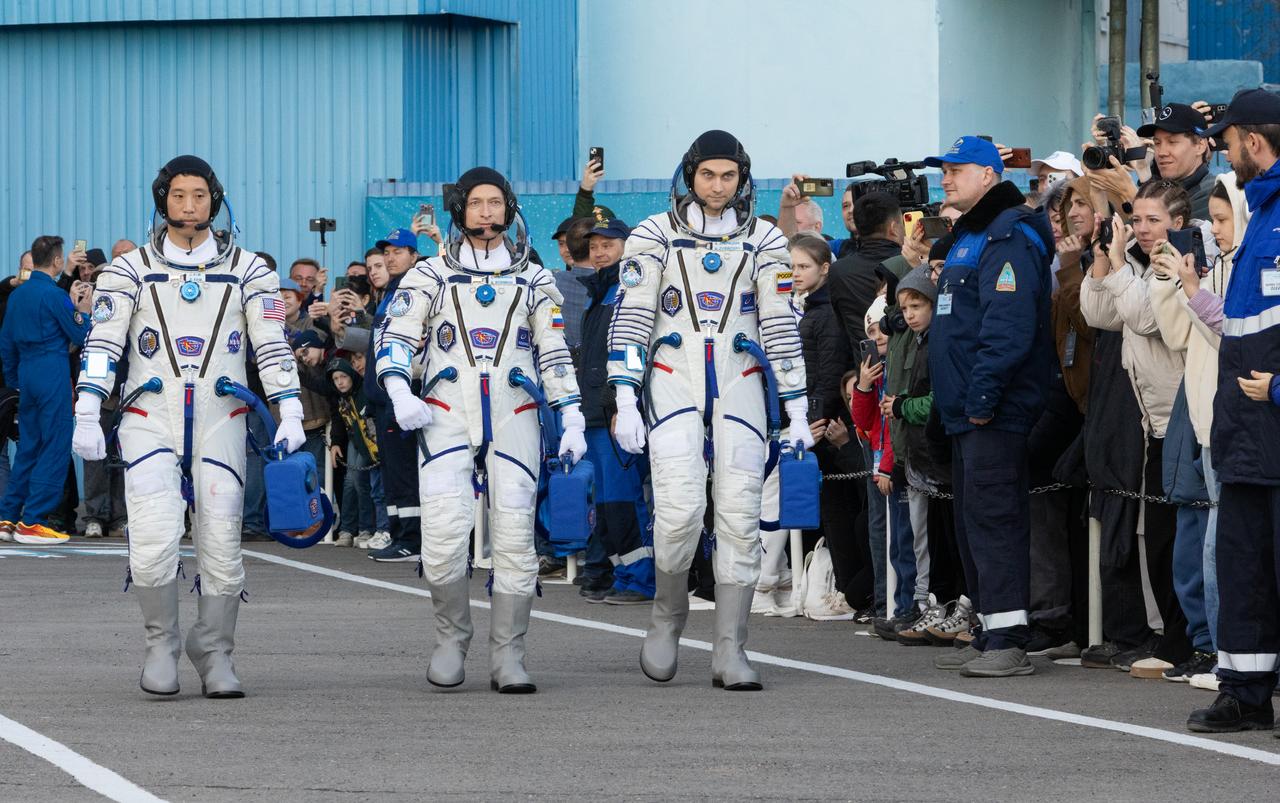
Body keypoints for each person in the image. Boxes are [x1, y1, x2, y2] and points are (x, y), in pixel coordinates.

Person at [72, 155, 306, 698]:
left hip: (221, 415)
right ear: (163, 199)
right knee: (153, 538)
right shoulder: (128, 270)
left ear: (214, 200)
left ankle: (215, 648)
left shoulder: (251, 271)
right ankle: (161, 645)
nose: (189, 206)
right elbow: (104, 341)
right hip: (149, 416)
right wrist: (87, 406)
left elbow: (271, 345)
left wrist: (289, 407)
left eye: (199, 195)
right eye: (178, 195)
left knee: (222, 539)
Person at [608, 130, 814, 691]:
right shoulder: (653, 235)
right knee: (677, 512)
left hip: (741, 384)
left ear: (742, 178)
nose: (718, 187)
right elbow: (630, 320)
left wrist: (797, 407)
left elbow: (780, 326)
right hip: (673, 384)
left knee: (741, 517)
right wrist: (625, 396)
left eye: (728, 176)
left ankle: (731, 647)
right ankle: (667, 619)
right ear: (689, 176)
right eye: (708, 175)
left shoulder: (766, 240)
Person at [375, 167, 586, 693]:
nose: (486, 213)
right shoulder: (430, 275)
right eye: (477, 203)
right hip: (446, 414)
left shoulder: (535, 280)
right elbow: (396, 337)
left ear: (509, 208)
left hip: (516, 413)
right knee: (445, 532)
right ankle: (451, 638)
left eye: (495, 203)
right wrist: (401, 391)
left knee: (515, 535)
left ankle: (509, 654)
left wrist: (572, 414)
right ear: (459, 210)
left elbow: (555, 353)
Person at [926, 136, 1054, 678]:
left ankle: (1009, 638)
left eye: (956, 170)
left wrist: (981, 398)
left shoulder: (1008, 234)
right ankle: (989, 626)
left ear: (986, 174)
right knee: (972, 520)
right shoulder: (968, 236)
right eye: (944, 171)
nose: (946, 179)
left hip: (992, 410)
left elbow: (1007, 328)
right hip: (965, 410)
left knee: (996, 519)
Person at [1188, 89, 1280, 733]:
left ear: (1252, 139)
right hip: (1248, 436)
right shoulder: (1263, 215)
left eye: (1225, 140)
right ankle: (1245, 692)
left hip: (1273, 422)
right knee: (1245, 572)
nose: (1224, 151)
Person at [576, 214, 655, 605]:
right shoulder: (597, 290)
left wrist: (617, 406)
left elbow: (629, 355)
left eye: (608, 244)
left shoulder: (630, 290)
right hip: (592, 413)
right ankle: (619, 573)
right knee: (606, 505)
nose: (600, 252)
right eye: (594, 246)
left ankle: (639, 580)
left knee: (625, 500)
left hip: (614, 412)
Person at [789, 232, 868, 619]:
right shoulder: (809, 309)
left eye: (803, 266)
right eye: (792, 266)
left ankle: (846, 589)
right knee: (828, 511)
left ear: (825, 268)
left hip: (827, 425)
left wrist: (810, 419)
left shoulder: (827, 314)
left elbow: (828, 374)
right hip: (814, 421)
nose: (796, 273)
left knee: (839, 510)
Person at [0, 236, 91, 544]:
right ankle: (33, 521)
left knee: (28, 446)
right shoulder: (54, 296)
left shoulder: (17, 297)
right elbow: (78, 332)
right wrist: (85, 310)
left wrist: (15, 379)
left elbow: (6, 344)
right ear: (56, 262)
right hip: (51, 370)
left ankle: (8, 517)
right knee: (55, 445)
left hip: (26, 373)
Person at [364, 228, 425, 562]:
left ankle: (411, 539)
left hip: (401, 395)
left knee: (404, 470)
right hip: (380, 396)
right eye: (387, 251)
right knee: (391, 470)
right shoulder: (389, 291)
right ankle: (397, 531)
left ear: (414, 256)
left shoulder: (415, 290)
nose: (390, 257)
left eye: (399, 251)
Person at [1136, 103, 1215, 220]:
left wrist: (1125, 190)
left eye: (1172, 142)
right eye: (1157, 143)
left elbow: (1157, 233)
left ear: (1200, 145)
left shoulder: (1212, 193)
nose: (1162, 152)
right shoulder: (1162, 185)